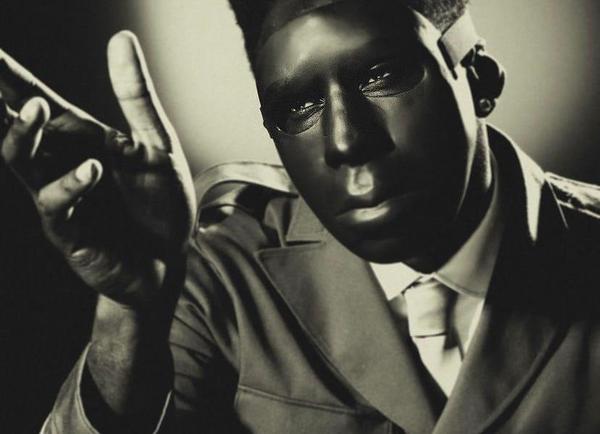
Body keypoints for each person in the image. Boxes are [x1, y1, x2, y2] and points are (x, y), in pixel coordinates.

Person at [1, 0, 599, 432]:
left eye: (383, 75)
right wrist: (132, 313)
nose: (345, 141)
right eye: (299, 105)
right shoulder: (220, 277)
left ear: (480, 79)